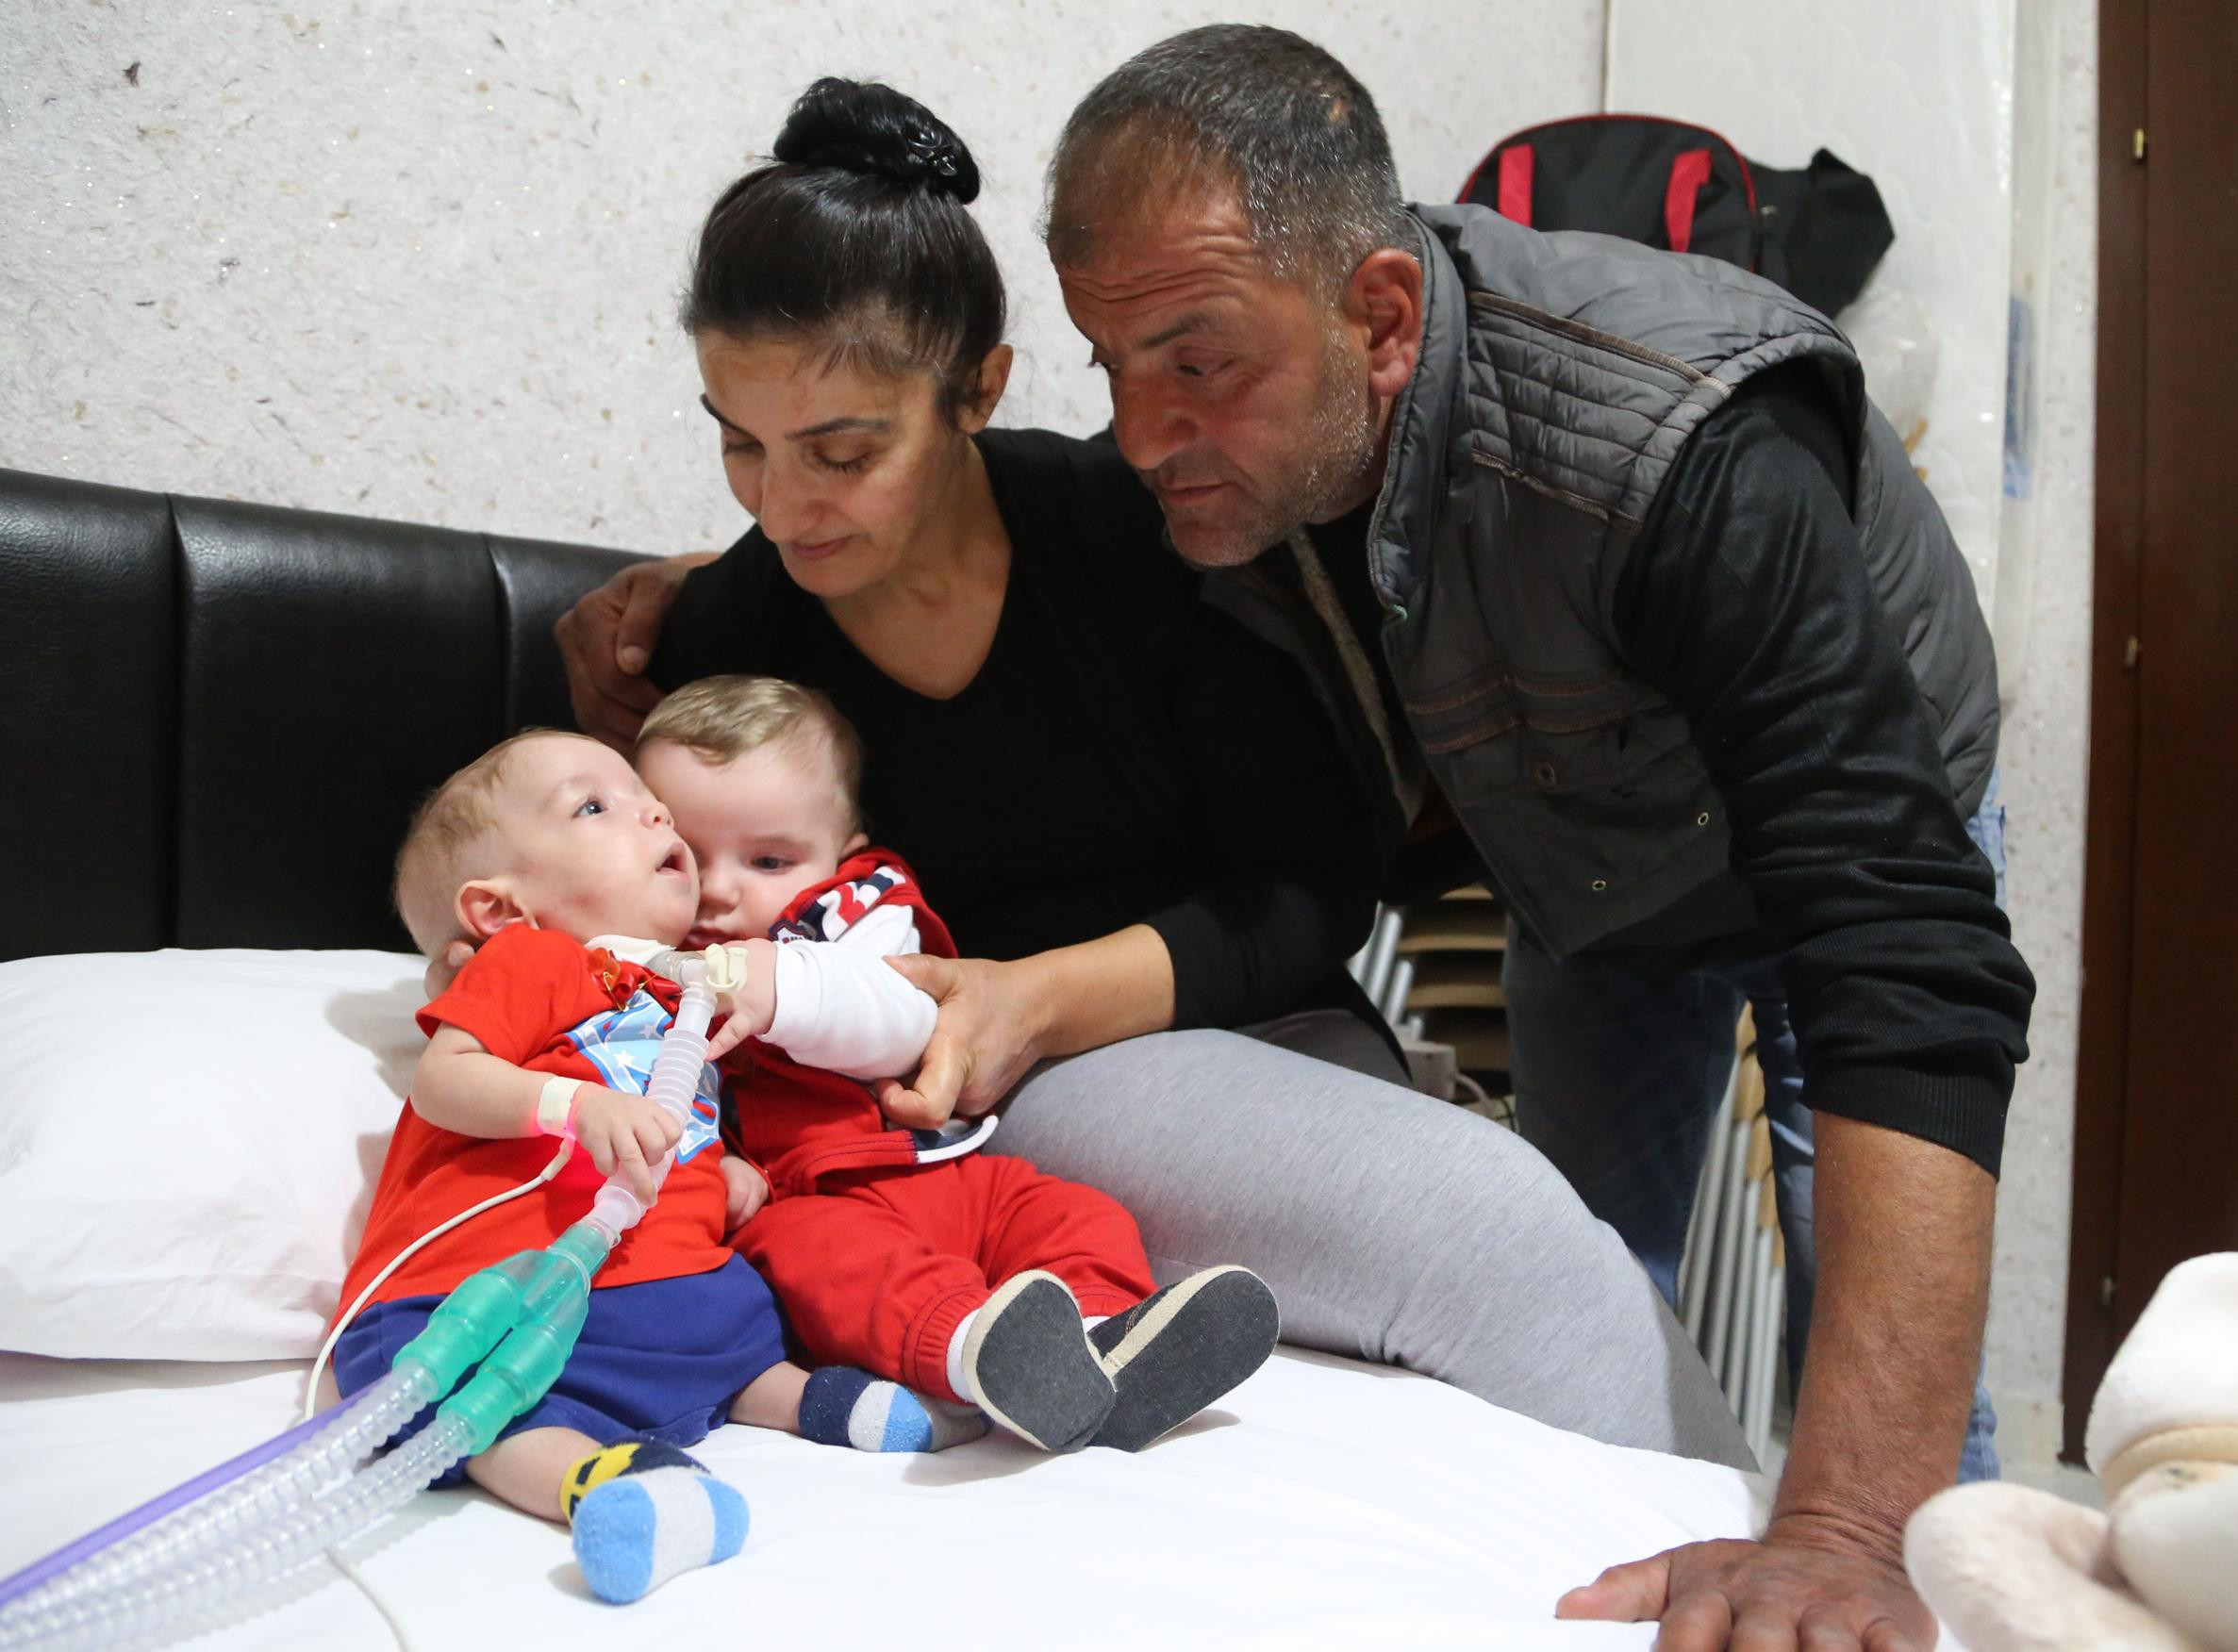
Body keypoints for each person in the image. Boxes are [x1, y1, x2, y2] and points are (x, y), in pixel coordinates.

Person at [555, 75, 1758, 1473]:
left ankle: (1753, 1548)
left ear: (978, 389)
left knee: (1515, 1236)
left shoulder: (1138, 538)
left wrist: (1036, 993)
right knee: (1487, 1228)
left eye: (843, 451)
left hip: (1239, 1014)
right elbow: (615, 901)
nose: (781, 507)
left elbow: (1311, 887)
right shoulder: (733, 628)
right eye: (738, 442)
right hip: (995, 1093)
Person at [1033, 24, 2037, 1650]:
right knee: (1579, 1273)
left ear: (1377, 317)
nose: (1144, 433)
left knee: (1866, 1371)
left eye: (1196, 363)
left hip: (1855, 840)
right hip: (1590, 857)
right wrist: (707, 603)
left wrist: (1846, 1529)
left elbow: (1900, 950)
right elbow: (997, 514)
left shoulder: (1673, 438)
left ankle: (1936, 1602)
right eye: (1109, 365)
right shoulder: (1237, 459)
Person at [333, 729, 982, 1606]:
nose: (654, 813)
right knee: (487, 1410)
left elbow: (683, 1111)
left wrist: (729, 1172)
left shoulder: (684, 994)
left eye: (647, 797)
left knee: (739, 1326)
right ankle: (605, 1483)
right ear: (498, 910)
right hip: (501, 1294)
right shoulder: (530, 960)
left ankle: (817, 1401)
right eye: (593, 806)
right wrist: (574, 1108)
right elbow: (446, 1082)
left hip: (663, 1284)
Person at [636, 671, 1282, 1453]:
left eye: (768, 860)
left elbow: (903, 1021)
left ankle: (1103, 1342)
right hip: (803, 1199)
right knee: (820, 1259)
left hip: (944, 1174)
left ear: (842, 853)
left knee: (1072, 1213)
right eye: (680, 859)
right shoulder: (634, 958)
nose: (718, 893)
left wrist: (784, 989)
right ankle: (981, 1356)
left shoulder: (859, 912)